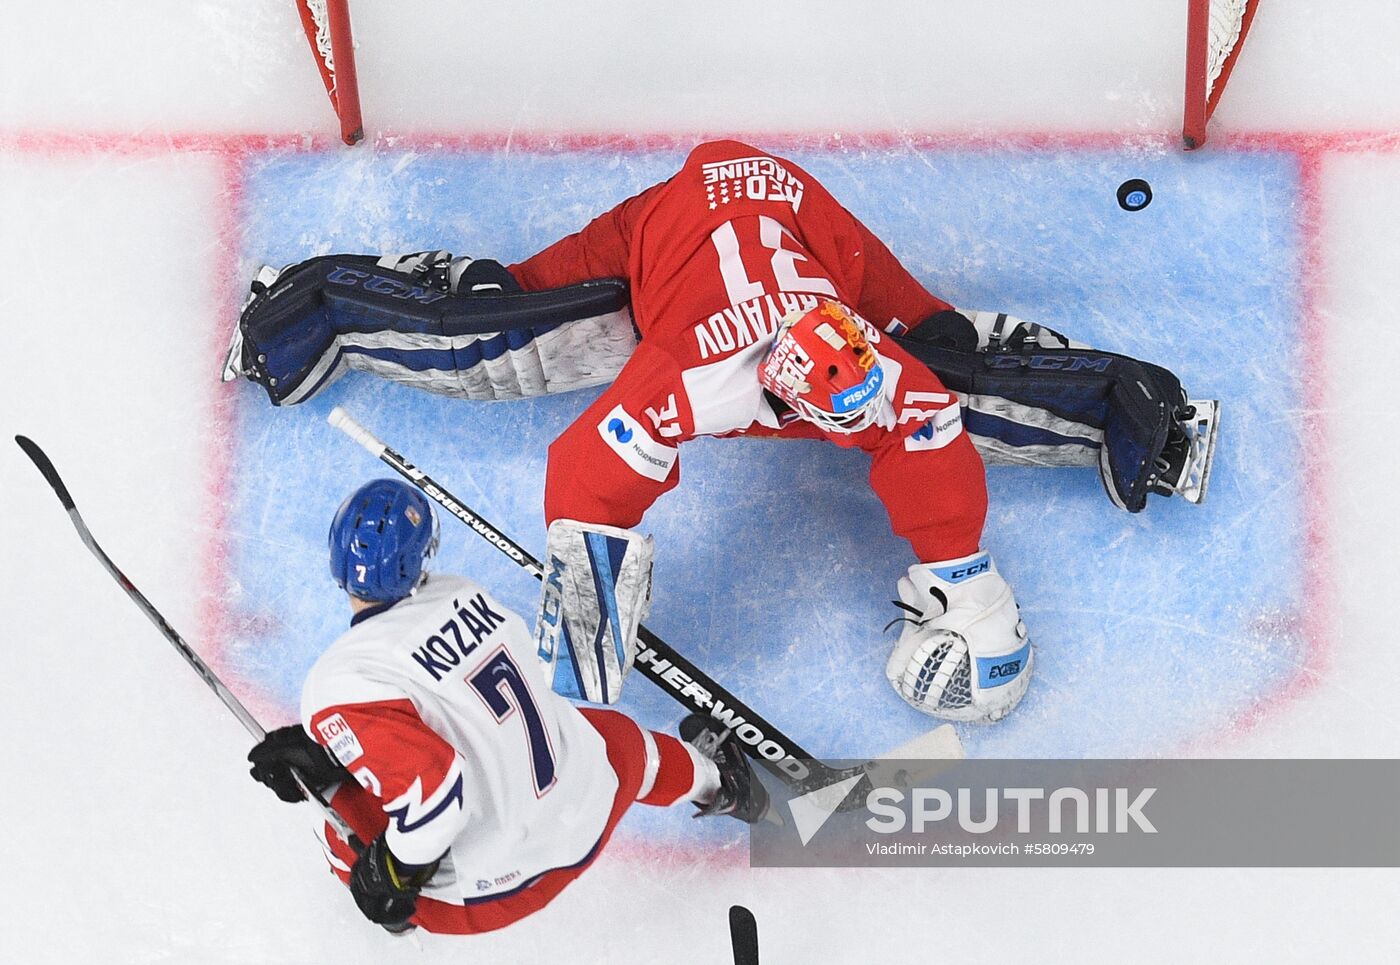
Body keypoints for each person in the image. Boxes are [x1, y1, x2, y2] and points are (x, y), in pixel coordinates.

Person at [224, 139, 1216, 725]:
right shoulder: (688, 377)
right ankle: (307, 308)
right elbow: (581, 470)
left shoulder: (865, 359)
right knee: (501, 331)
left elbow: (924, 421)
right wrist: (588, 622)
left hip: (798, 216)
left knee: (949, 357)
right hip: (663, 239)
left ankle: (1138, 422)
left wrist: (964, 575)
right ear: (769, 392)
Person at [246, 478, 765, 935]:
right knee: (623, 743)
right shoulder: (464, 593)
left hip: (485, 898)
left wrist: (367, 832)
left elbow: (436, 798)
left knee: (341, 824)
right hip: (587, 813)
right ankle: (720, 785)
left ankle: (399, 919)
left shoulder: (339, 681)